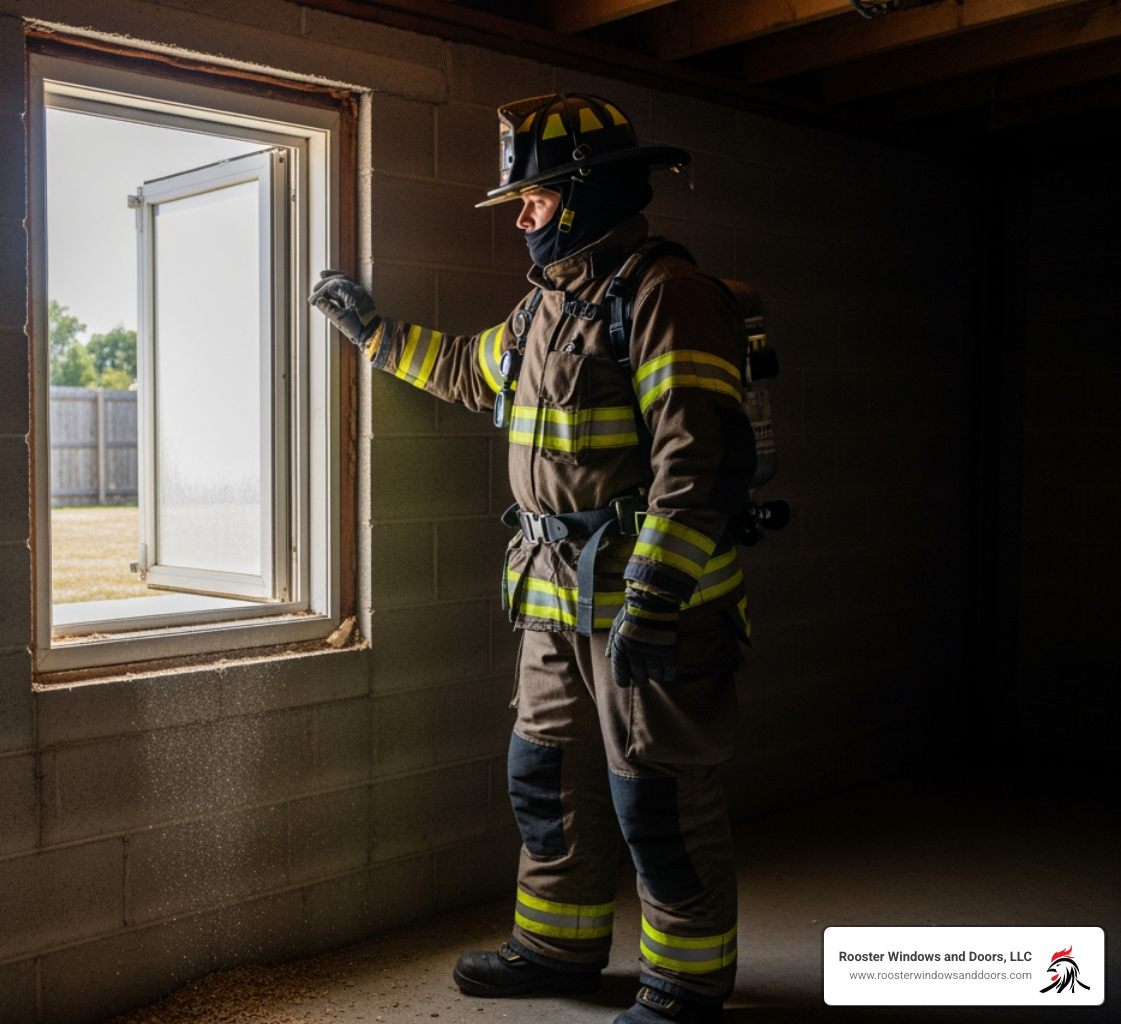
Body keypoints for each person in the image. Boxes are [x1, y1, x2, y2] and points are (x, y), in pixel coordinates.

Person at [310, 94, 756, 1024]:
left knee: (658, 799)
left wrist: (658, 594)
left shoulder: (666, 294)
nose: (521, 217)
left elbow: (698, 455)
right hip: (556, 596)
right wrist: (373, 333)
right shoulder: (548, 307)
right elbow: (473, 371)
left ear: (586, 197)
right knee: (544, 776)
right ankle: (557, 946)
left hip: (651, 602)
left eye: (536, 199)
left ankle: (685, 983)